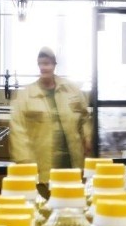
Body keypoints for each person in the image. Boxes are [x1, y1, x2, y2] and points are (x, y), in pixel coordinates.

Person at [10, 47, 93, 188]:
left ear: (54, 65)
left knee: (72, 203)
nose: (44, 67)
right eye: (41, 64)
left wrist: (88, 137)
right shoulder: (26, 95)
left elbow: (84, 118)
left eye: (47, 63)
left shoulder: (71, 90)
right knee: (45, 205)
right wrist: (24, 161)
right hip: (43, 164)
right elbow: (18, 130)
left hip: (72, 161)